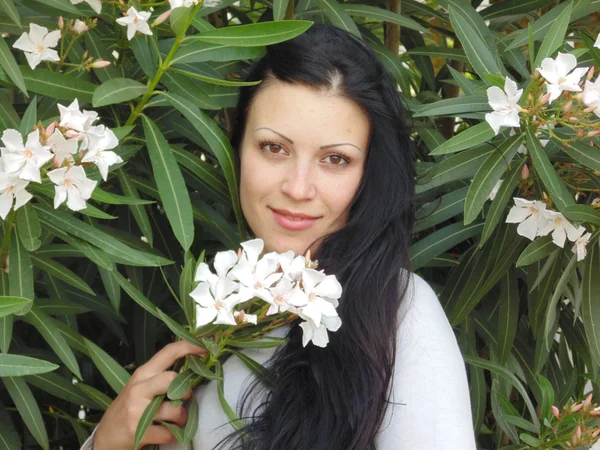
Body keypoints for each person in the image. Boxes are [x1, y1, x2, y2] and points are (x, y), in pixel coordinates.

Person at [82, 23, 476, 450]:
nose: (298, 187)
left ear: (370, 174)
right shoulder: (222, 303)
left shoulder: (400, 312)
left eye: (336, 159)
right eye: (274, 148)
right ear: (236, 144)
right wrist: (107, 440)